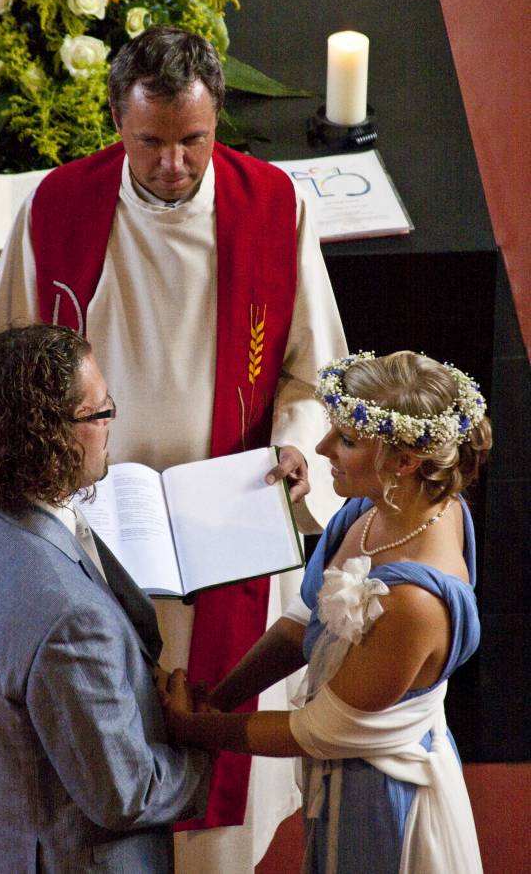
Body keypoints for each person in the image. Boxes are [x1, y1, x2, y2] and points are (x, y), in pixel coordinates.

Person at [0, 25, 348, 870]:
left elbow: (312, 373)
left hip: (230, 526)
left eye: (193, 140)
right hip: (94, 522)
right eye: (150, 142)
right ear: (117, 120)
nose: (174, 164)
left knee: (215, 805)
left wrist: (292, 449)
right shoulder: (56, 207)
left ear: (218, 122)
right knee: (101, 756)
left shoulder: (274, 210)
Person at [163, 350, 491, 873]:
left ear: (405, 461)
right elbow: (301, 625)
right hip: (338, 775)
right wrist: (218, 698)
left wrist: (194, 730)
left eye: (347, 440)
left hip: (383, 803)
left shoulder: (414, 602)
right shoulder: (372, 508)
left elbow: (319, 729)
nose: (319, 448)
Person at [0, 324, 210, 873]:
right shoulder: (68, 619)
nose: (110, 424)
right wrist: (200, 746)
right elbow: (125, 795)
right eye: (98, 412)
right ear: (45, 432)